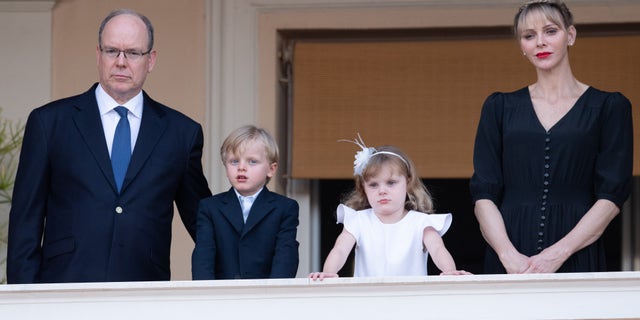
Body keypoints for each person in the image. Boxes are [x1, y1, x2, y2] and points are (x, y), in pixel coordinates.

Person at [7, 9, 212, 283]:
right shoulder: (49, 123)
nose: (121, 62)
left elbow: (206, 226)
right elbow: (25, 224)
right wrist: (24, 303)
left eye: (133, 53)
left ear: (150, 60)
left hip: (144, 294)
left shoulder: (181, 133)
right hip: (63, 293)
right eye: (112, 50)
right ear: (98, 55)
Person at [470, 0, 633, 274]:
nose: (540, 43)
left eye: (550, 31)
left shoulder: (609, 107)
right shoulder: (499, 107)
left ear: (570, 35)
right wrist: (508, 256)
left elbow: (611, 196)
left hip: (577, 250)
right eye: (529, 36)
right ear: (522, 46)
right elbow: (484, 194)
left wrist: (559, 253)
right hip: (509, 255)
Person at [310, 137, 470, 280]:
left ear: (408, 182)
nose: (382, 190)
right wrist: (328, 273)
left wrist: (450, 271)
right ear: (363, 188)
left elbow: (437, 249)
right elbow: (340, 250)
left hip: (411, 301)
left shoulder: (421, 223)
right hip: (369, 302)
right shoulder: (358, 221)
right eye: (373, 185)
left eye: (391, 183)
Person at [191, 125, 299, 280]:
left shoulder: (285, 208)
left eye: (252, 162)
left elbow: (285, 257)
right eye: (234, 161)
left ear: (271, 169)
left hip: (266, 298)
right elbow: (203, 258)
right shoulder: (209, 208)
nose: (241, 168)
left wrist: (274, 296)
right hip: (221, 298)